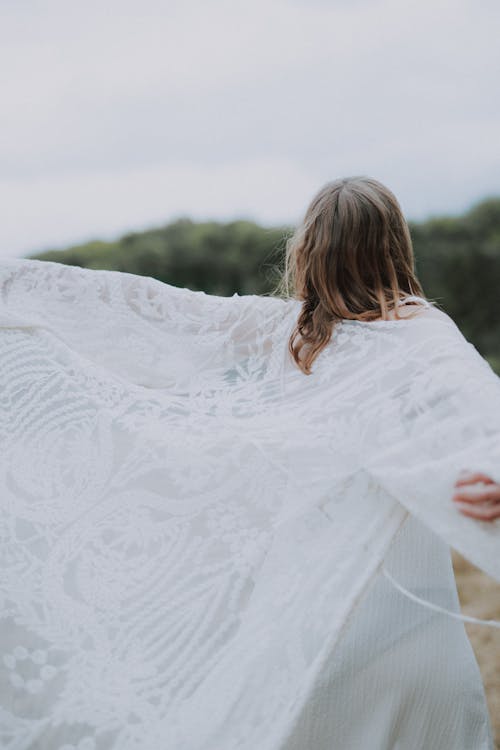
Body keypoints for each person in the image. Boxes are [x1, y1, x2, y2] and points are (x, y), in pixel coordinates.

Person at [0, 175, 499, 750]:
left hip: (307, 625)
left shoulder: (282, 332)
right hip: (409, 628)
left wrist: (17, 286)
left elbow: (145, 309)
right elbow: (482, 407)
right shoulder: (422, 331)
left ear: (307, 250)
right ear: (396, 245)